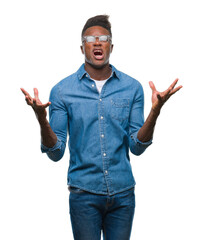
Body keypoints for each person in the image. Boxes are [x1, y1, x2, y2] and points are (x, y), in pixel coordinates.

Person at [21, 15, 182, 240]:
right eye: (90, 38)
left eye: (103, 38)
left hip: (123, 195)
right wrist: (41, 119)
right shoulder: (61, 91)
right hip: (83, 195)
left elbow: (137, 146)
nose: (97, 42)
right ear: (82, 47)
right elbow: (55, 153)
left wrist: (155, 111)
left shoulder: (132, 88)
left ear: (111, 47)